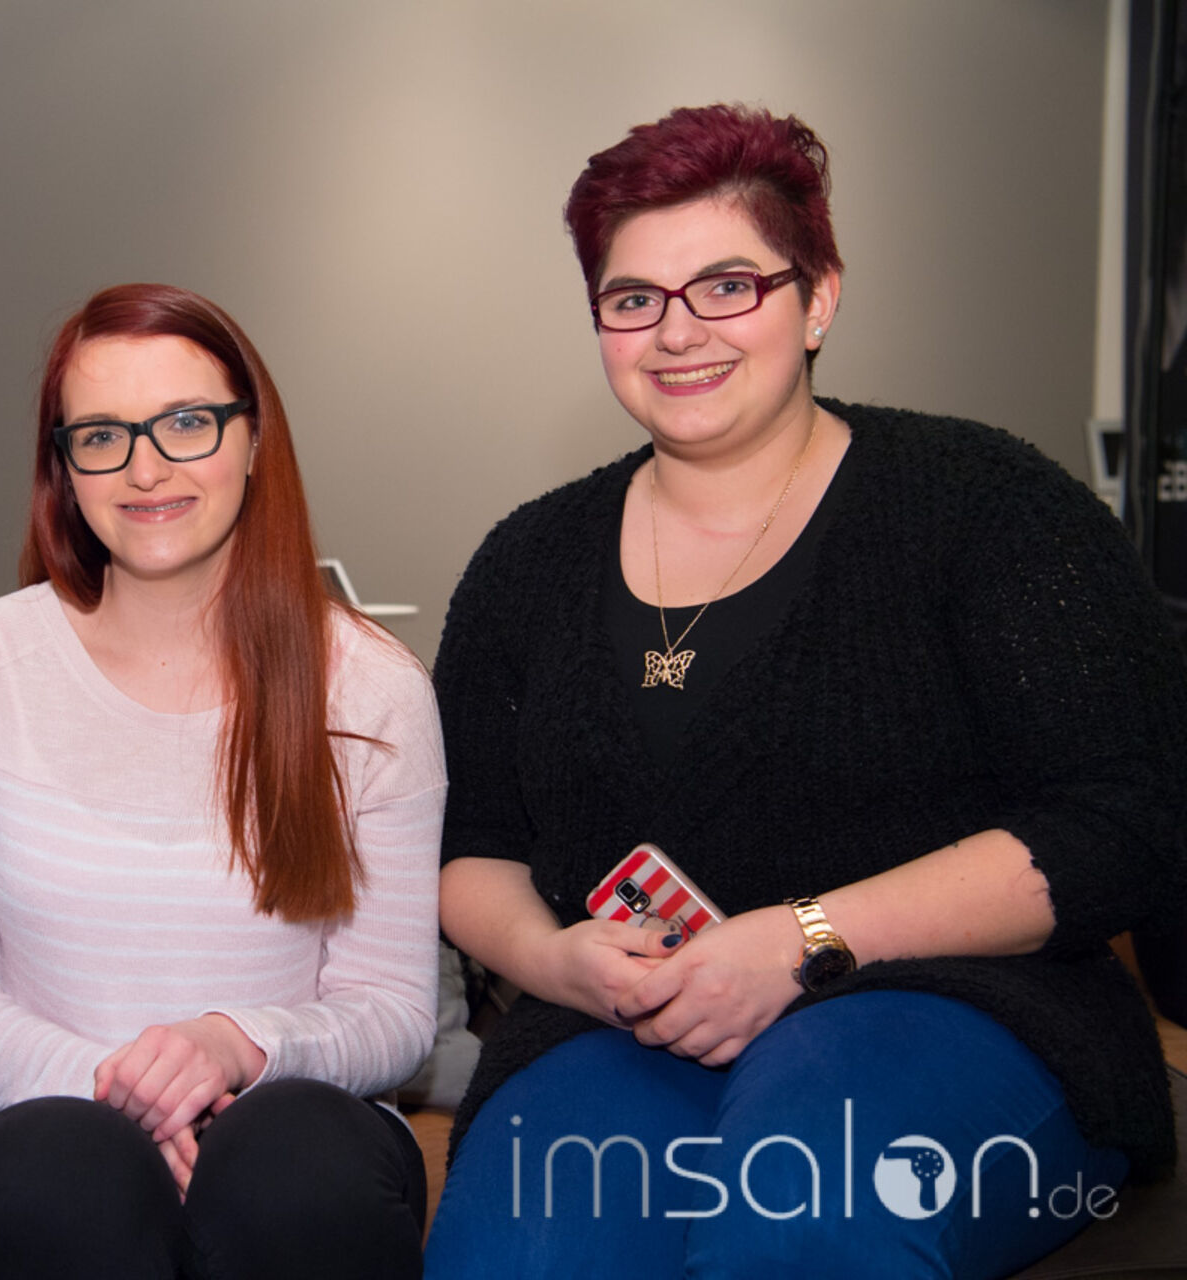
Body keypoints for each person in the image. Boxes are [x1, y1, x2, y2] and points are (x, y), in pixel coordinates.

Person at [421, 105, 1187, 1278]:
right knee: (519, 1256)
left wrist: (802, 939)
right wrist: (554, 958)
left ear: (819, 297)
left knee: (801, 1221)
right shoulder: (528, 562)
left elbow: (1124, 819)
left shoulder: (987, 507)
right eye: (634, 298)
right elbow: (473, 847)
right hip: (624, 1029)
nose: (678, 331)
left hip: (960, 1008)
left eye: (728, 285)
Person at [0, 283, 445, 1279]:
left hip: (300, 1131)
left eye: (186, 423)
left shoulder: (375, 686)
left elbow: (394, 1012)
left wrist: (232, 1046)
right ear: (65, 466)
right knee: (70, 1174)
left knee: (291, 1163)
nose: (145, 468)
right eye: (102, 435)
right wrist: (119, 1087)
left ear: (254, 438)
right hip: (42, 1125)